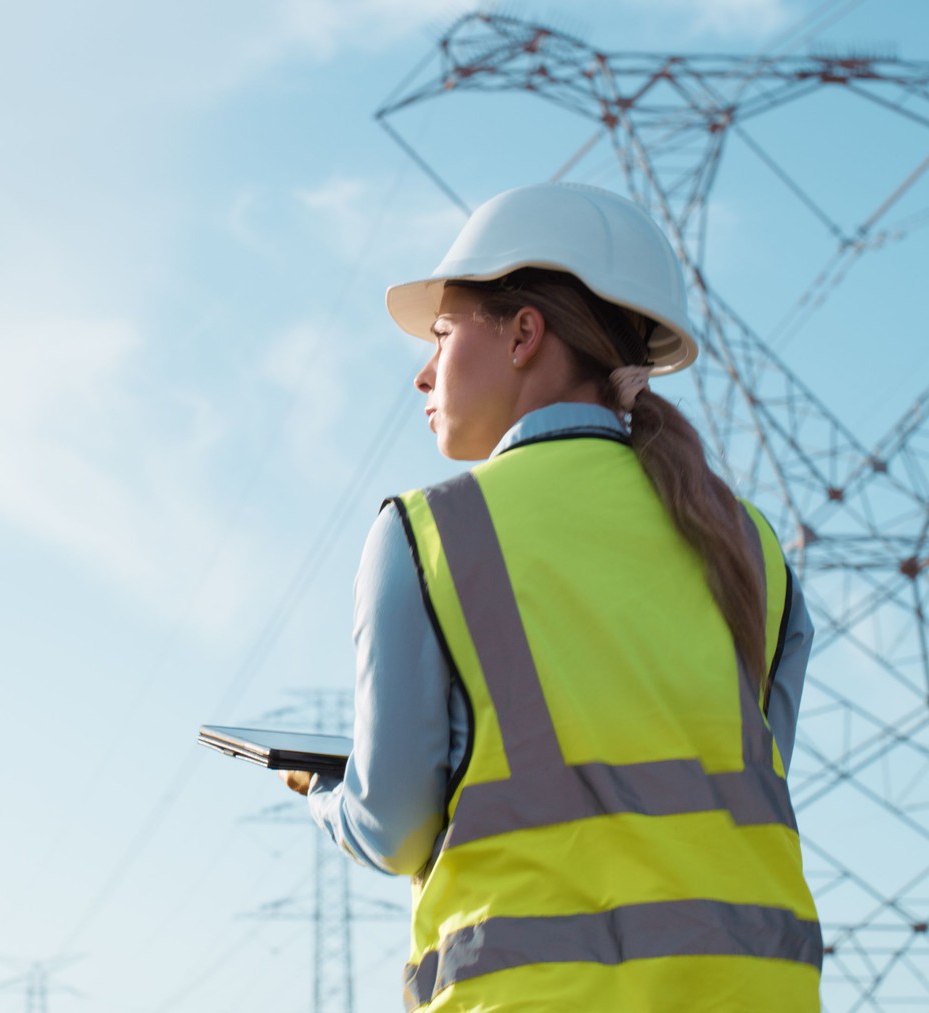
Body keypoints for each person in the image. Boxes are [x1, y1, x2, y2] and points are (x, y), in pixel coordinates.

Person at [283, 182, 822, 1010]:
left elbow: (392, 828)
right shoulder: (752, 547)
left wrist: (327, 797)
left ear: (524, 334)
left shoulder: (429, 535)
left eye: (444, 332)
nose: (425, 373)